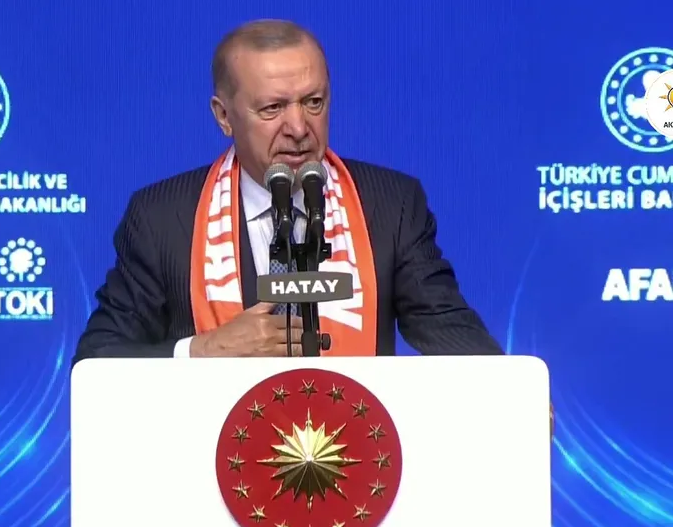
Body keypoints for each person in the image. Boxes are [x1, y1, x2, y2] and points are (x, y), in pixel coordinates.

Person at [74, 19, 504, 361]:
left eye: (313, 102)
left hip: (353, 442)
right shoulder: (162, 218)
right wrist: (203, 350)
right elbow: (98, 358)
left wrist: (511, 393)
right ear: (223, 116)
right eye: (272, 108)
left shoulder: (391, 204)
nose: (298, 128)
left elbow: (452, 333)